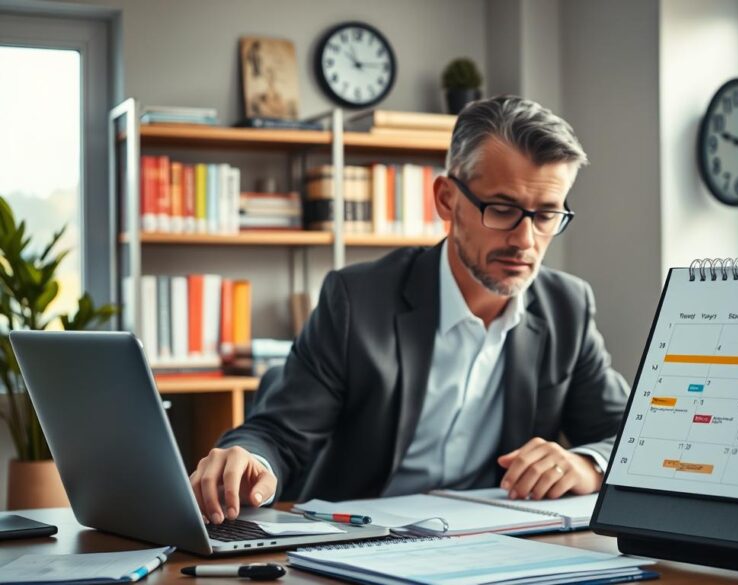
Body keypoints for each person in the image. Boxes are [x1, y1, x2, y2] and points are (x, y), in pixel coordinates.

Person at [190, 95, 630, 525]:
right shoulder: (356, 300)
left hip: (496, 542)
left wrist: (588, 464)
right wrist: (249, 459)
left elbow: (630, 438)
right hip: (359, 541)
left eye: (547, 215)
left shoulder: (566, 307)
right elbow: (279, 435)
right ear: (446, 199)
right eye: (502, 209)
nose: (525, 240)